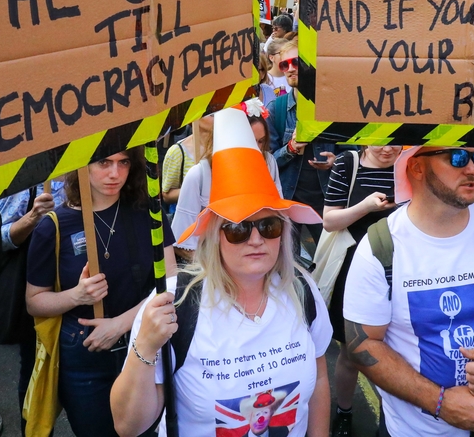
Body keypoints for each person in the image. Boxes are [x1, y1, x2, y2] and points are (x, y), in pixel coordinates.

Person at [111, 107, 332, 437]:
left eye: (268, 225)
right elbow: (128, 426)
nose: (256, 239)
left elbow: (319, 381)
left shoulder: (302, 290)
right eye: (238, 228)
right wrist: (144, 345)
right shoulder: (174, 302)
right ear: (215, 235)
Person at [344, 146, 474, 436]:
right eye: (457, 158)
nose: (473, 169)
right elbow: (362, 343)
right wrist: (439, 402)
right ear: (417, 167)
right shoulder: (382, 247)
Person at [26, 148, 177, 437]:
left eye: (123, 163)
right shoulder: (54, 227)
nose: (114, 173)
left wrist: (122, 323)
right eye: (103, 162)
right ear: (80, 165)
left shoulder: (148, 211)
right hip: (85, 355)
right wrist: (76, 296)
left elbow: (171, 280)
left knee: (145, 429)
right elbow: (34, 301)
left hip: (143, 341)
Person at [322, 145, 400, 437]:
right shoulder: (348, 162)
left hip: (400, 270)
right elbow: (329, 221)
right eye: (381, 140)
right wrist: (365, 207)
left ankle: (393, 418)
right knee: (351, 352)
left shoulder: (412, 163)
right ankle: (344, 411)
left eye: (396, 141)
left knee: (398, 348)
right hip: (353, 269)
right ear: (366, 138)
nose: (388, 148)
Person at [172, 101, 282, 261]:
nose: (256, 150)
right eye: (249, 141)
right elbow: (183, 243)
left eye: (261, 141)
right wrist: (218, 272)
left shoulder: (269, 163)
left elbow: (279, 217)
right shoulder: (199, 175)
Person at [0, 183, 60, 434]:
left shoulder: (93, 170)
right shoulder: (29, 179)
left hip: (88, 294)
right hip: (40, 296)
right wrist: (32, 217)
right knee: (36, 369)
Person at [266, 39, 339, 253]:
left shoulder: (333, 107)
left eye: (296, 62)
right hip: (290, 203)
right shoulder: (276, 109)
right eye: (284, 65)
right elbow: (267, 163)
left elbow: (353, 153)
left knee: (330, 266)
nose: (290, 69)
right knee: (290, 268)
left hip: (327, 202)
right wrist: (290, 148)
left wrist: (337, 162)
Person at [161, 116, 214, 212]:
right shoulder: (177, 152)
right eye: (210, 114)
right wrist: (193, 189)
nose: (215, 115)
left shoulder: (228, 147)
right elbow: (166, 195)